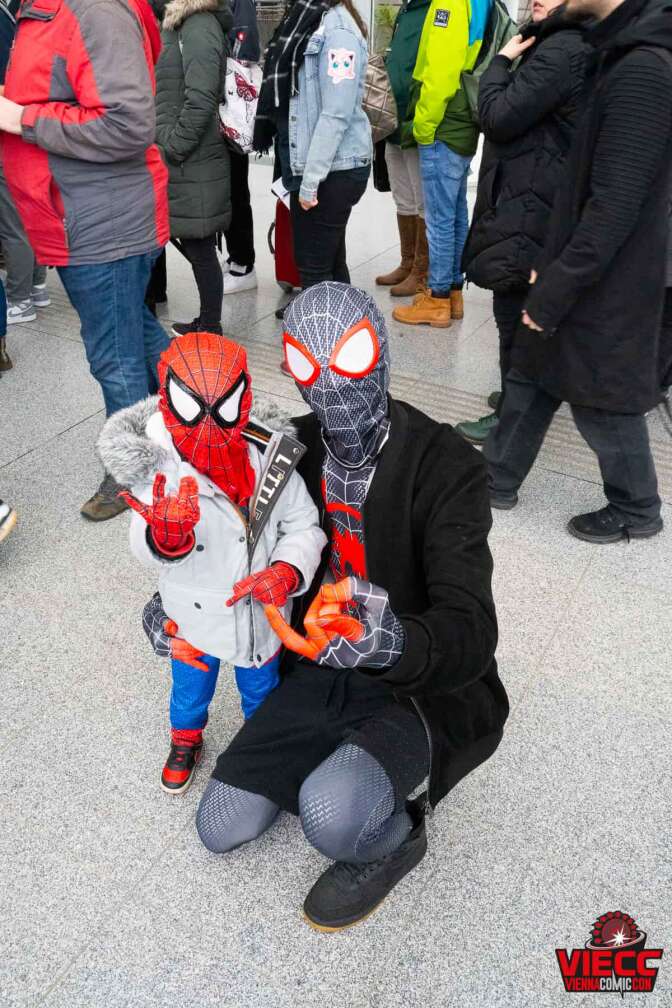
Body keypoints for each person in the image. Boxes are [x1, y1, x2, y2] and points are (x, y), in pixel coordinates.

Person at [195, 283, 508, 932]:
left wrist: (393, 642)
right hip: (318, 667)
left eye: (352, 356)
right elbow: (245, 556)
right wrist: (181, 605)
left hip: (416, 683)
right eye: (310, 365)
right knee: (220, 824)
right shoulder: (287, 451)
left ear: (382, 353)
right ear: (291, 368)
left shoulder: (449, 467)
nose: (333, 388)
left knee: (333, 816)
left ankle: (399, 837)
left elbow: (473, 629)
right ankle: (337, 755)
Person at [98, 331, 326, 794]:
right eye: (190, 406)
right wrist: (165, 535)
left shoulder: (271, 457)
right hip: (193, 615)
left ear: (244, 397)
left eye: (223, 406)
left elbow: (303, 523)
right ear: (167, 400)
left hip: (262, 610)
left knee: (262, 691)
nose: (208, 425)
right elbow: (143, 543)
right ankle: (186, 739)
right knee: (189, 691)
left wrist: (288, 569)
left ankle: (260, 746)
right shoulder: (159, 471)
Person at [485, 0, 672, 544]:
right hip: (575, 259)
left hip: (606, 276)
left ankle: (636, 507)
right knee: (532, 370)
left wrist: (558, 284)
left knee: (600, 396)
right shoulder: (613, 50)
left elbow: (615, 207)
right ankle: (496, 476)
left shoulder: (642, 68)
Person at [0, 0, 170, 523]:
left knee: (114, 357)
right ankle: (203, 416)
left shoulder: (92, 10)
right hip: (78, 217)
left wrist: (21, 117)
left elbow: (128, 122)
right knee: (134, 336)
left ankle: (137, 474)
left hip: (101, 223)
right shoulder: (46, 10)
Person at [455, 2, 588, 445]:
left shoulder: (559, 51)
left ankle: (513, 415)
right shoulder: (559, 44)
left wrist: (500, 62)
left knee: (514, 310)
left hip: (531, 201)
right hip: (531, 194)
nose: (537, 0)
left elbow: (495, 115)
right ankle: (516, 395)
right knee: (514, 308)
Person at [253, 0, 372, 297]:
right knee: (328, 262)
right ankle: (342, 331)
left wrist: (310, 182)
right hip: (314, 163)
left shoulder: (338, 31)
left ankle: (321, 336)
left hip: (333, 168)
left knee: (314, 268)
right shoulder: (308, 20)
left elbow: (336, 113)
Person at [392, 0, 493, 328]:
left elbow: (441, 72)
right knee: (455, 213)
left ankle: (435, 300)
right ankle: (452, 292)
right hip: (462, 122)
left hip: (444, 122)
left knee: (438, 217)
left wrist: (423, 126)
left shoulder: (450, 3)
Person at [153, 0, 233, 337]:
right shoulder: (178, 23)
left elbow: (201, 98)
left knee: (200, 246)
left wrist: (173, 146)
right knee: (192, 241)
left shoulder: (199, 24)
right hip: (183, 158)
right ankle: (208, 322)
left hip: (192, 158)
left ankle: (211, 325)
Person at [374, 0, 430, 298]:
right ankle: (407, 262)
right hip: (393, 119)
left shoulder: (434, 9)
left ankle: (422, 271)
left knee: (422, 199)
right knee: (403, 196)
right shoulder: (407, 9)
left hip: (416, 118)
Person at [0, 0, 50, 328]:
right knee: (28, 212)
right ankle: (37, 286)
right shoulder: (16, 16)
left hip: (9, 126)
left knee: (12, 221)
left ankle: (19, 299)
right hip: (27, 123)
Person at [222, 0, 262, 295]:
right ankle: (237, 256)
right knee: (228, 188)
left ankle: (243, 263)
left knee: (235, 188)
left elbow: (244, 50)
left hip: (232, 108)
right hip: (225, 105)